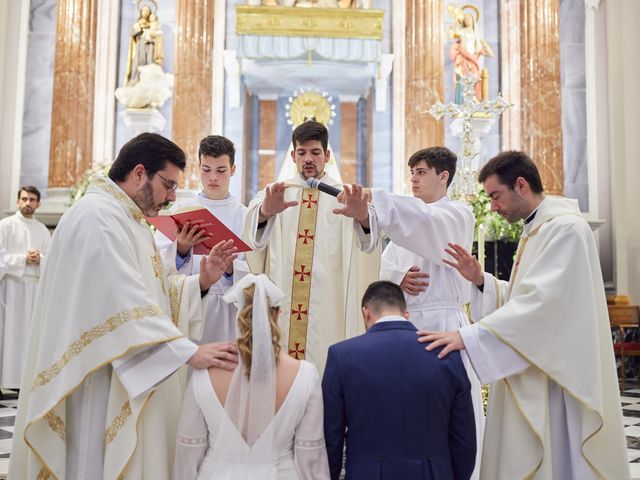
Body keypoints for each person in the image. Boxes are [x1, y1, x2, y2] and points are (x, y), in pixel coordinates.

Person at [10, 133, 240, 480]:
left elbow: (152, 292)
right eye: (169, 185)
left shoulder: (126, 218)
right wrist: (186, 351)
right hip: (96, 381)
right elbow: (121, 301)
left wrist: (201, 282)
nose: (172, 197)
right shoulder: (97, 217)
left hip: (119, 370)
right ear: (138, 173)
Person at [420, 151, 629, 479]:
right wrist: (481, 280)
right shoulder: (537, 232)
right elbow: (523, 299)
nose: (493, 207)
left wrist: (467, 336)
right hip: (544, 363)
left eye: (495, 196)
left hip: (562, 376)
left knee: (563, 458)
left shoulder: (565, 230)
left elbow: (541, 307)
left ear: (521, 185)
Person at [377, 146, 483, 479]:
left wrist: (374, 199)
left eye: (421, 172)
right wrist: (397, 278)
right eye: (412, 173)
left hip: (445, 325)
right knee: (409, 415)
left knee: (451, 417)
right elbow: (383, 267)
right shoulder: (404, 228)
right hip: (407, 328)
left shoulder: (458, 213)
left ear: (444, 176)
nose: (414, 179)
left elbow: (428, 227)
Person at [243, 120, 379, 372]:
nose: (308, 159)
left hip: (329, 303)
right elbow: (252, 240)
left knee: (326, 366)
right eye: (302, 152)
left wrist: (362, 217)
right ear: (293, 155)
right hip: (283, 302)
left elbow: (368, 245)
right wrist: (264, 213)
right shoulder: (276, 193)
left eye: (315, 152)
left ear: (327, 155)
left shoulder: (344, 196)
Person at [174, 274, 330, 479]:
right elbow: (311, 457)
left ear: (237, 313)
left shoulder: (204, 374)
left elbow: (188, 452)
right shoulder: (305, 375)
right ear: (277, 314)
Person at [322, 280, 476, 480]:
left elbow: (331, 437)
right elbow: (464, 440)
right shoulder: (446, 354)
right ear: (406, 314)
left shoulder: (341, 356)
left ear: (366, 313)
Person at [156, 135, 248, 345]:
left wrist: (230, 269)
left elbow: (257, 271)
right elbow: (156, 263)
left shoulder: (245, 216)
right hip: (190, 304)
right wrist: (181, 249)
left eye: (221, 170)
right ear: (199, 168)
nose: (213, 177)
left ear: (233, 170)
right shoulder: (180, 210)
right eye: (206, 170)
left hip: (229, 310)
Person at [0, 186, 50, 390]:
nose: (28, 203)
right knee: (9, 336)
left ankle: (25, 382)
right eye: (24, 199)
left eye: (32, 200)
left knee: (30, 336)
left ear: (38, 204)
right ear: (17, 202)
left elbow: (53, 260)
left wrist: (40, 259)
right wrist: (23, 259)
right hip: (11, 289)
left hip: (34, 290)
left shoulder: (42, 230)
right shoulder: (5, 226)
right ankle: (5, 381)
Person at [447, 6, 493, 102]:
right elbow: (450, 35)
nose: (467, 20)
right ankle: (461, 104)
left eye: (469, 18)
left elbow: (490, 53)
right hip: (463, 59)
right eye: (466, 18)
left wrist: (483, 46)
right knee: (462, 80)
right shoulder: (461, 32)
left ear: (473, 20)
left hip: (473, 59)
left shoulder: (476, 34)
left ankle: (474, 103)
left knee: (475, 78)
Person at [124, 4, 163, 86]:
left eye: (147, 11)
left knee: (149, 62)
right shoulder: (138, 23)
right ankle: (135, 80)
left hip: (150, 46)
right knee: (137, 63)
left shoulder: (152, 24)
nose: (145, 13)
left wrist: (151, 34)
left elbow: (156, 35)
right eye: (144, 11)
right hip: (140, 46)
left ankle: (149, 82)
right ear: (140, 12)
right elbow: (132, 32)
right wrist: (139, 31)